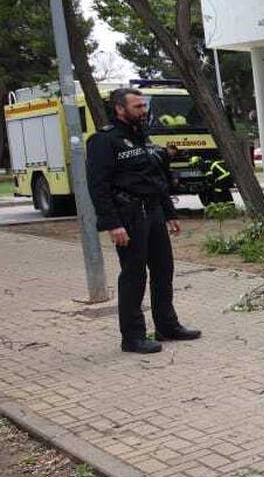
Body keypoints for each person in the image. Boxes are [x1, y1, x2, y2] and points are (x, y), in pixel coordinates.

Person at [86, 87, 201, 355]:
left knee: (163, 270)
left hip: (154, 212)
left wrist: (169, 213)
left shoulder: (144, 138)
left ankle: (167, 326)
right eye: (137, 106)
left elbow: (156, 179)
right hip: (129, 216)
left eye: (144, 106)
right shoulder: (104, 141)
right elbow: (98, 186)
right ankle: (133, 337)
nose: (144, 111)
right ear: (119, 109)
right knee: (134, 276)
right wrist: (112, 223)